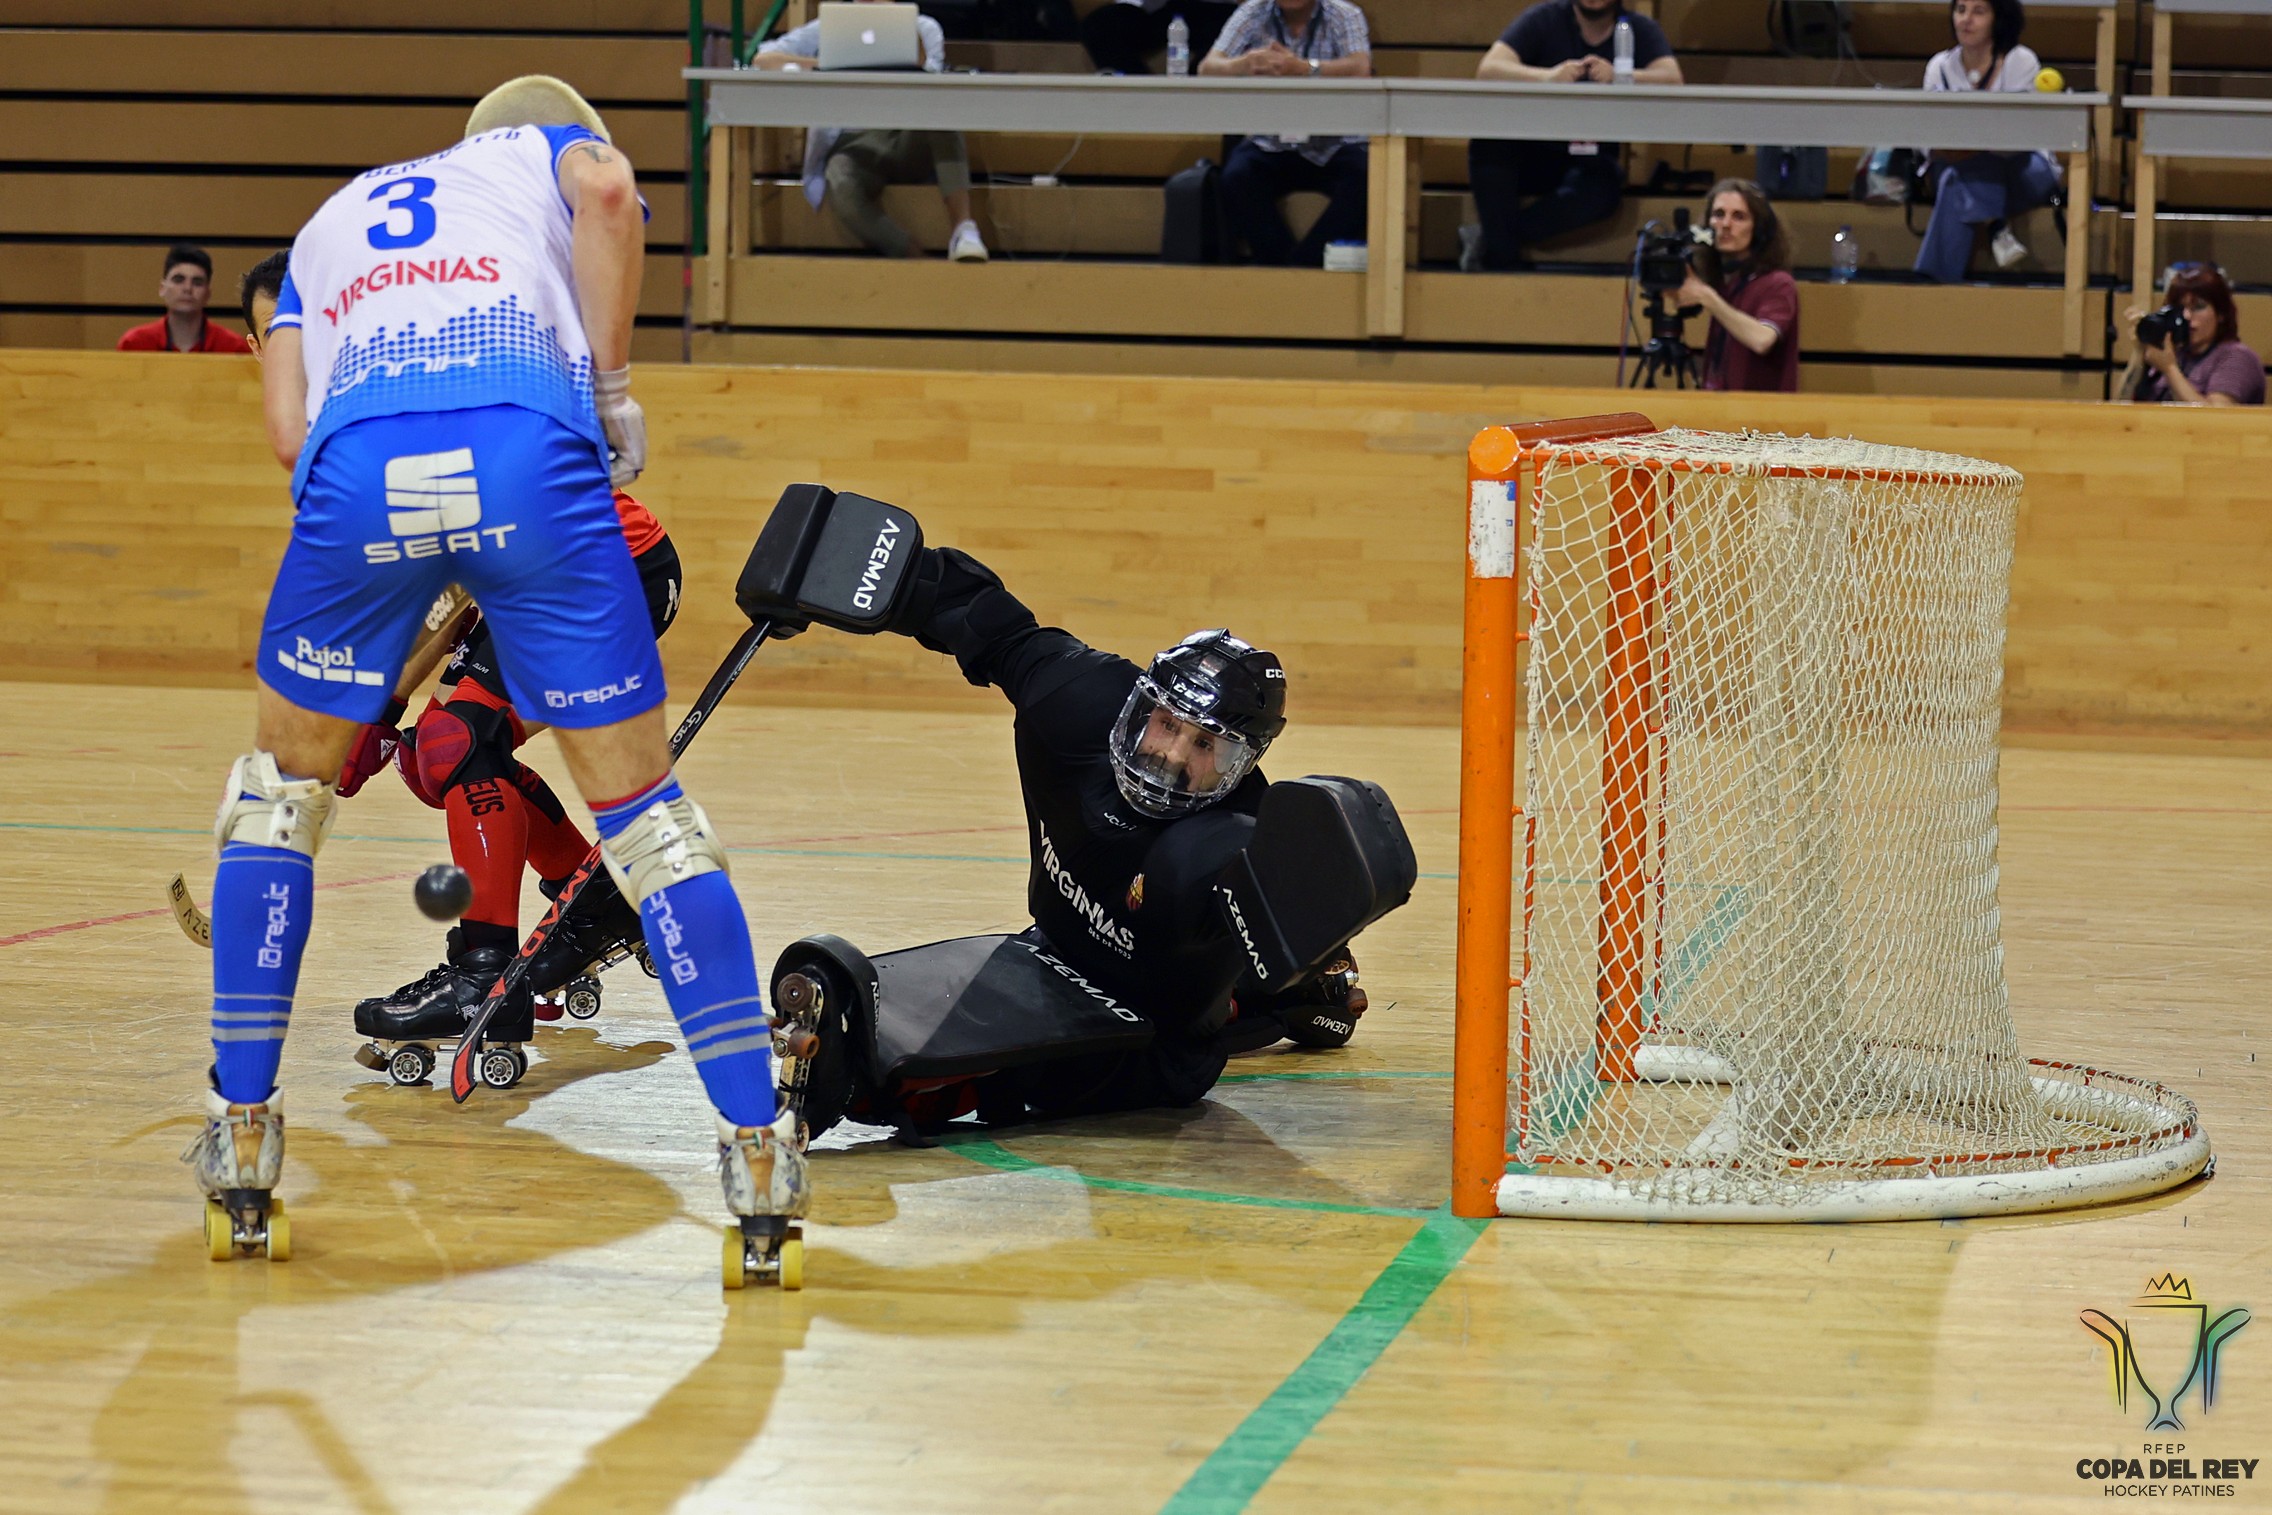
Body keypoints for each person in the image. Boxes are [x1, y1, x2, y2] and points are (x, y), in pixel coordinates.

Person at [183, 76, 806, 1274]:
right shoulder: (550, 151)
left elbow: (288, 436)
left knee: (278, 804)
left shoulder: (329, 223)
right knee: (649, 818)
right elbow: (611, 192)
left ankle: (243, 1134)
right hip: (532, 461)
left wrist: (369, 565)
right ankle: (757, 1149)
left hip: (362, 466)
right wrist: (611, 393)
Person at [799, 544, 1384, 1135]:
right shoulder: (1078, 701)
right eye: (1167, 724)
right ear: (1140, 709)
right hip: (1050, 953)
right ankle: (1291, 994)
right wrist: (840, 567)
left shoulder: (1236, 844)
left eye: (1206, 744)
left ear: (1242, 761)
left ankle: (1298, 999)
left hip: (1153, 1043)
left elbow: (1313, 893)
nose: (1171, 756)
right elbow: (982, 617)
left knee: (983, 1079)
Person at [753, 2, 989, 262]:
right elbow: (763, 60)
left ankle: (963, 230)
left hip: (907, 135)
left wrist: (901, 33)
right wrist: (830, 65)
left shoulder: (925, 27)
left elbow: (929, 78)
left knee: (941, 111)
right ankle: (910, 252)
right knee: (840, 178)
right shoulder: (830, 27)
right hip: (854, 142)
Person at [1467, 0, 1682, 272]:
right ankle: (1502, 259)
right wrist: (1548, 77)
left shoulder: (1636, 27)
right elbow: (1488, 69)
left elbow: (1672, 79)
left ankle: (1493, 239)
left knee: (1603, 188)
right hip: (1534, 154)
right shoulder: (1544, 18)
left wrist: (1621, 76)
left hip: (1591, 160)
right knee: (1488, 146)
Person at [1199, 0, 1373, 268]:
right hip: (1272, 141)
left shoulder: (1344, 14)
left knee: (1367, 179)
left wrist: (1305, 69)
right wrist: (1244, 64)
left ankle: (1305, 265)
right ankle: (1278, 265)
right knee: (1236, 176)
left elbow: (1360, 68)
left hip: (1334, 142)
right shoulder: (1251, 12)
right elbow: (1207, 68)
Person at [1912, 0, 2061, 283]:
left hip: (2023, 169)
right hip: (1954, 165)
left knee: (1960, 177)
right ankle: (1996, 229)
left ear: (1998, 19)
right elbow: (1926, 136)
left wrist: (1968, 147)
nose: (1966, 19)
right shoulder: (1939, 66)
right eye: (1960, 10)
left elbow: (2019, 137)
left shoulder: (2021, 61)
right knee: (1957, 176)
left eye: (1978, 12)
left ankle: (1934, 283)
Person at [1678, 178, 1800, 393]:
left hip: (1760, 411)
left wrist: (1708, 298)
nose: (1725, 224)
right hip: (1720, 405)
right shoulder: (1726, 281)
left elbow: (1762, 340)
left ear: (1759, 229)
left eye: (1739, 216)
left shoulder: (1778, 283)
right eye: (1718, 214)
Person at [2119, 263, 2267, 407]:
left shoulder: (2236, 357)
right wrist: (2139, 352)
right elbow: (2120, 408)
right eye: (2180, 308)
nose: (2187, 316)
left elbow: (2215, 417)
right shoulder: (2175, 353)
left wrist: (2170, 369)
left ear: (2221, 314)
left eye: (2198, 307)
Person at [117, 245, 252, 354]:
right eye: (178, 280)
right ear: (162, 288)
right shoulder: (134, 344)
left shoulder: (234, 348)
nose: (187, 288)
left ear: (207, 294)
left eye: (197, 282)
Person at [1081, 0, 1238, 74]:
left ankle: (1193, 102)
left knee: (1225, 43)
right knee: (1102, 24)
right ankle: (1139, 94)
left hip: (1225, 11)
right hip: (1166, 8)